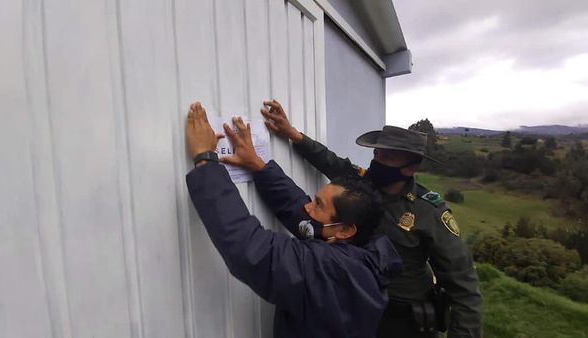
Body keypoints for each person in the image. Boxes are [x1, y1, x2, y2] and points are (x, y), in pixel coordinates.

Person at [260, 100, 483, 338]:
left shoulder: (429, 213)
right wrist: (293, 134)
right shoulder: (363, 184)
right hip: (355, 310)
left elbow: (464, 290)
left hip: (401, 323)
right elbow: (330, 161)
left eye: (387, 156)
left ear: (411, 167)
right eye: (377, 153)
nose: (376, 161)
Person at [184, 101, 402, 338]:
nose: (307, 206)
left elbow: (251, 250)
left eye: (318, 204)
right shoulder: (362, 253)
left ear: (345, 230)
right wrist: (257, 165)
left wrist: (205, 160)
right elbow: (297, 210)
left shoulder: (331, 270)